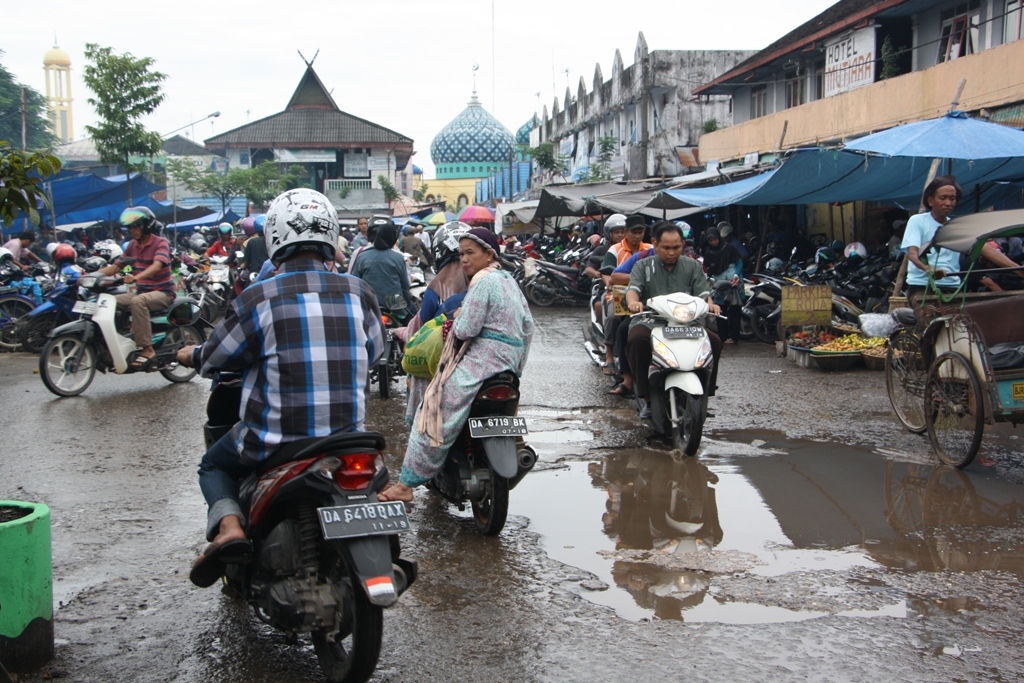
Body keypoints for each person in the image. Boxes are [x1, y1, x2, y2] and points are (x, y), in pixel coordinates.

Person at [175, 188, 385, 587]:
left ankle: (230, 528)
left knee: (214, 464)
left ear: (274, 237)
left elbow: (216, 357)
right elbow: (374, 352)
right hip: (348, 440)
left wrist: (191, 354)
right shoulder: (360, 292)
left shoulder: (259, 297)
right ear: (331, 235)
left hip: (275, 441)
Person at [378, 228, 534, 503]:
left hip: (483, 361)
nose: (463, 259)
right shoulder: (509, 280)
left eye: (470, 253)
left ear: (489, 254)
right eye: (461, 253)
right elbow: (528, 327)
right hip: (508, 364)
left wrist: (460, 316)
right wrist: (517, 368)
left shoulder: (483, 282)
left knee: (434, 408)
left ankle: (406, 485)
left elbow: (465, 330)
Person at [625, 221, 722, 420]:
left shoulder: (692, 266)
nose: (672, 252)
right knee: (636, 339)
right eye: (666, 248)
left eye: (677, 248)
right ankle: (648, 399)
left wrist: (710, 305)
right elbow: (633, 291)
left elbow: (704, 294)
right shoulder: (642, 266)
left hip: (687, 323)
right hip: (651, 322)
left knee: (714, 342)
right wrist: (634, 303)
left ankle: (704, 395)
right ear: (655, 244)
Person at [96, 208, 175, 369]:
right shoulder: (132, 245)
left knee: (138, 302)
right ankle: (117, 343)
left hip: (163, 293)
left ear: (146, 226)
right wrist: (90, 276)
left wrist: (136, 277)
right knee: (108, 301)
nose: (132, 231)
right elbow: (116, 267)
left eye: (135, 226)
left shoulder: (161, 243)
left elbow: (157, 265)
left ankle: (147, 349)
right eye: (130, 227)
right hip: (143, 292)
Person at [901, 175, 964, 305]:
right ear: (930, 201)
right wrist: (927, 268)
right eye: (943, 198)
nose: (948, 203)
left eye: (952, 199)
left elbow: (984, 249)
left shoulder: (957, 226)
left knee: (960, 323)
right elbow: (912, 253)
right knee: (930, 321)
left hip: (952, 287)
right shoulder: (917, 221)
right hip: (921, 287)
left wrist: (1015, 268)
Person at [352, 219, 414, 321]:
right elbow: (405, 286)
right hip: (394, 308)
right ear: (393, 238)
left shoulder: (362, 256)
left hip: (367, 306)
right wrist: (406, 305)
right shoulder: (398, 257)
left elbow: (354, 283)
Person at [702, 226, 744, 345]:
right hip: (718, 285)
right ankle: (722, 336)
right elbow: (707, 268)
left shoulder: (730, 248)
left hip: (732, 283)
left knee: (735, 310)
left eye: (715, 239)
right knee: (719, 310)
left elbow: (739, 262)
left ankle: (734, 337)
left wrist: (736, 275)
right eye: (710, 240)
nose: (713, 242)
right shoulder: (708, 252)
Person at [240, 215, 269, 285]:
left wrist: (241, 266)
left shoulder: (252, 242)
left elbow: (245, 264)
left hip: (255, 275)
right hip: (271, 275)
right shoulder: (273, 241)